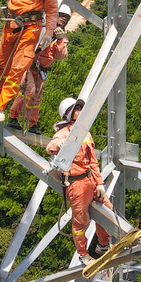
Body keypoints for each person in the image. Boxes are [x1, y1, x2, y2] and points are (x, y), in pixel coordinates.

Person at [46, 97, 113, 265]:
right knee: (81, 222)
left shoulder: (85, 133)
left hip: (89, 179)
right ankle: (83, 254)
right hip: (76, 184)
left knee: (108, 210)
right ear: (69, 114)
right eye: (77, 109)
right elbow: (50, 147)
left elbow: (93, 161)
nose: (81, 111)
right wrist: (60, 144)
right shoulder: (63, 134)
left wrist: (99, 183)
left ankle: (102, 245)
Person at [7, 4, 71, 132]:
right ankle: (13, 118)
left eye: (66, 17)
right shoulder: (44, 27)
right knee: (28, 90)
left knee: (36, 96)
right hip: (29, 65)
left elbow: (61, 56)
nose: (63, 19)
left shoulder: (61, 37)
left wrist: (59, 40)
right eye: (61, 15)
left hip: (40, 69)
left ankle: (32, 124)